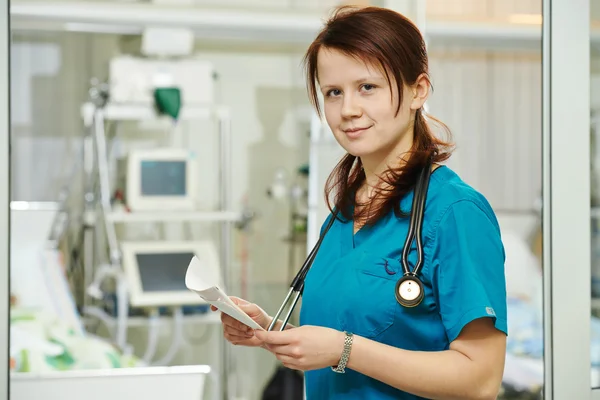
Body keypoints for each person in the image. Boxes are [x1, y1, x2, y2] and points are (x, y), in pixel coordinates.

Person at [212, 6, 507, 400]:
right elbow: (342, 336)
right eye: (333, 92)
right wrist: (272, 332)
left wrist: (343, 350)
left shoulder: (455, 212)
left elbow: (481, 380)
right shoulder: (341, 217)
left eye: (367, 87)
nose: (347, 109)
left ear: (418, 90)